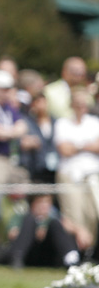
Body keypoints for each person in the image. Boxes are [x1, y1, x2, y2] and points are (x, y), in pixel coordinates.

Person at [53, 87, 99, 254]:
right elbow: (64, 150)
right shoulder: (62, 123)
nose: (81, 107)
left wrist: (76, 146)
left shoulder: (94, 122)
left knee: (93, 213)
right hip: (69, 174)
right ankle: (75, 251)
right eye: (78, 104)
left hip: (92, 175)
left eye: (84, 104)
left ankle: (89, 249)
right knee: (74, 214)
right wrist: (87, 145)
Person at [0, 194, 82, 268]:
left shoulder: (53, 217)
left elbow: (68, 230)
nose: (44, 206)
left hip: (48, 254)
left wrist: (77, 230)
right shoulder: (23, 216)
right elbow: (12, 234)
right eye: (40, 202)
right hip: (28, 252)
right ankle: (16, 259)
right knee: (30, 220)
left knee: (55, 224)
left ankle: (71, 258)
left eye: (47, 202)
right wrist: (33, 233)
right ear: (33, 204)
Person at [19, 92, 59, 183]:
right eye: (37, 102)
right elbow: (22, 142)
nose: (41, 106)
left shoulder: (56, 122)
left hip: (55, 165)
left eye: (43, 102)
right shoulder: (27, 122)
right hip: (35, 165)